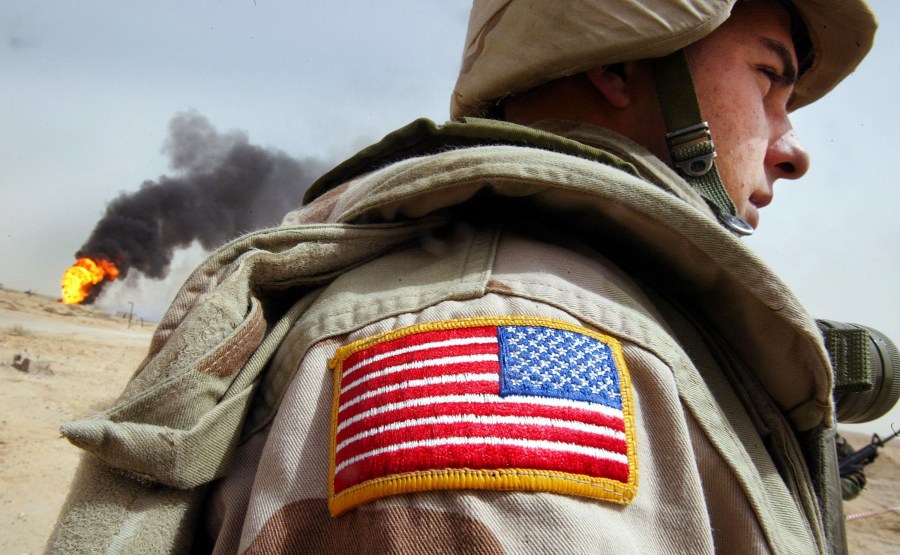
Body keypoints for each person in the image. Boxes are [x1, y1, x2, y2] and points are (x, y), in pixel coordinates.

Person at [48, 1, 878, 553]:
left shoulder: (600, 311)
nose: (790, 145)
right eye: (769, 79)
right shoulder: (498, 325)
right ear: (623, 64)